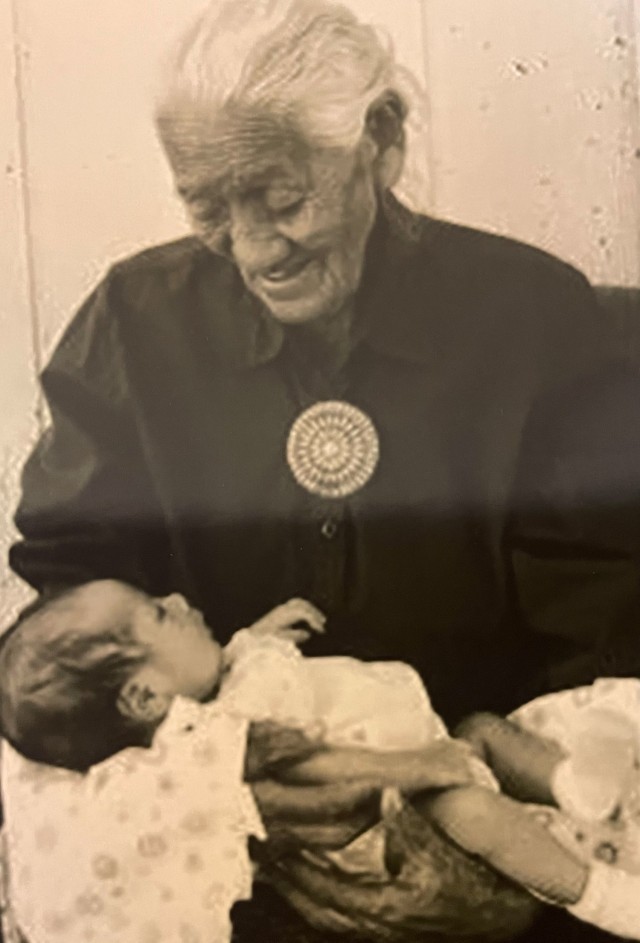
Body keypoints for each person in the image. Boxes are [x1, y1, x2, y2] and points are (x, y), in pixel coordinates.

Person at [7, 0, 640, 939]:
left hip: (498, 820)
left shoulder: (532, 317)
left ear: (379, 141)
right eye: (207, 205)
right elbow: (73, 596)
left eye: (282, 196)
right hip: (226, 833)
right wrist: (218, 782)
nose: (252, 247)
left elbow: (600, 635)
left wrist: (503, 874)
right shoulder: (134, 325)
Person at [2, 579, 630, 943]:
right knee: (479, 813)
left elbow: (229, 668)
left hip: (440, 738)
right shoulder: (215, 745)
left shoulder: (213, 695)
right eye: (158, 613)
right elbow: (314, 765)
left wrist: (260, 634)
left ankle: (572, 784)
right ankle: (597, 895)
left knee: (487, 732)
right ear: (142, 697)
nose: (176, 595)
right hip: (413, 804)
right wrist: (418, 765)